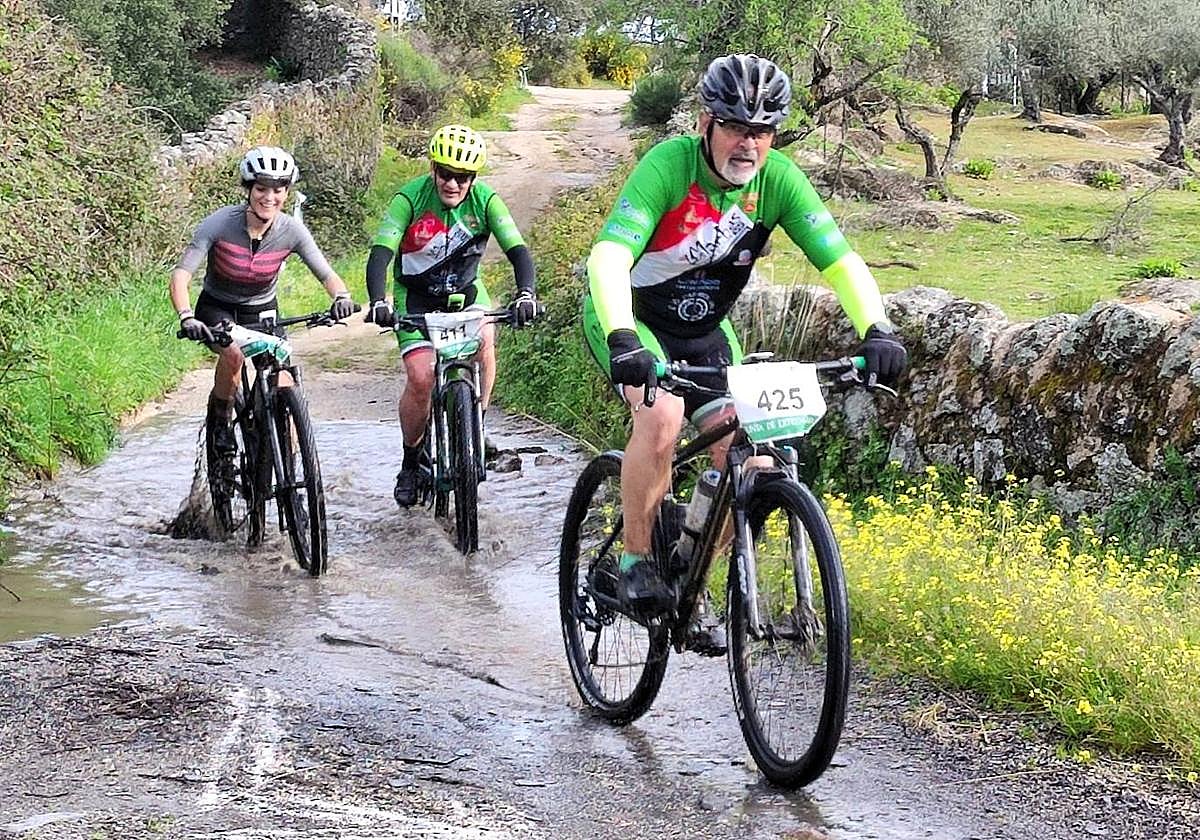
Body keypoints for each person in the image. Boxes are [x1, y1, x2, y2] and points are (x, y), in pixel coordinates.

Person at [582, 54, 907, 627]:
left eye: (761, 130)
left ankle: (692, 576)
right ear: (706, 123)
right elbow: (609, 256)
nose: (748, 144)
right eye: (735, 126)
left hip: (708, 334)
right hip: (635, 321)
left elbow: (840, 261)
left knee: (751, 459)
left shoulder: (779, 180)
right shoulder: (669, 167)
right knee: (661, 421)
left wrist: (876, 328)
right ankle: (634, 559)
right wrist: (622, 337)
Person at [363, 124, 539, 508]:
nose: (453, 183)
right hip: (417, 300)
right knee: (421, 376)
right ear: (433, 170)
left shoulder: (486, 201)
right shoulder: (409, 198)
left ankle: (476, 425)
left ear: (473, 178)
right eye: (445, 173)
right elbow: (381, 252)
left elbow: (518, 251)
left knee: (486, 338)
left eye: (462, 177)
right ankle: (411, 462)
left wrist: (526, 293)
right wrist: (379, 300)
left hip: (467, 293)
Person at [169, 145, 356, 454]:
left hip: (263, 313)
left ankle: (291, 465)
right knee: (233, 356)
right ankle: (220, 424)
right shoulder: (219, 223)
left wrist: (341, 296)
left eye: (278, 190)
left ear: (287, 193)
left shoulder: (291, 230)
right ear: (249, 189)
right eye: (261, 189)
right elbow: (181, 275)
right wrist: (187, 316)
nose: (270, 197)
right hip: (218, 309)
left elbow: (326, 274)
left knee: (284, 381)